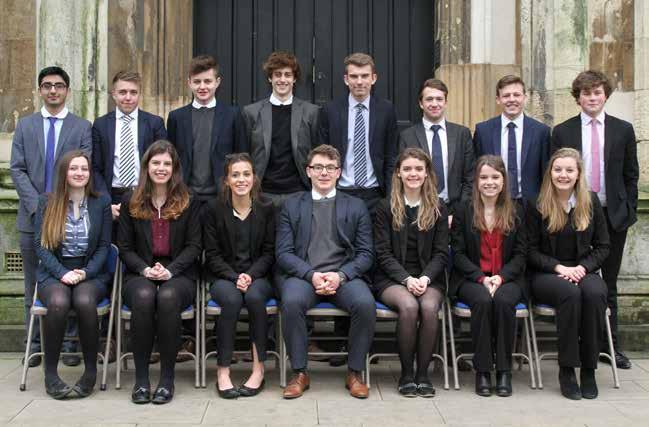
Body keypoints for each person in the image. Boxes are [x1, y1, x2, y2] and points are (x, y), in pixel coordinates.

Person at [551, 70, 638, 370]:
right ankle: (580, 343)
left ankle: (610, 347)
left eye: (597, 92)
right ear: (578, 98)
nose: (592, 98)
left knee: (608, 283)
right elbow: (554, 174)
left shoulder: (623, 130)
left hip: (612, 216)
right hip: (575, 214)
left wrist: (627, 210)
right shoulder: (562, 131)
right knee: (576, 278)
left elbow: (631, 174)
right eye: (586, 93)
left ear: (605, 96)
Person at [276, 144, 376, 399]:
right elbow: (284, 253)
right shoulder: (291, 205)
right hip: (304, 276)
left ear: (339, 172)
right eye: (318, 167)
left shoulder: (356, 206)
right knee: (291, 302)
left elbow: (366, 253)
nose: (324, 173)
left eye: (330, 168)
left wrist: (340, 276)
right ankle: (299, 373)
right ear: (308, 171)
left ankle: (354, 372)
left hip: (344, 276)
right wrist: (311, 275)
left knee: (365, 304)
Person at [10, 66, 92, 368]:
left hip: (70, 217)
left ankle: (70, 343)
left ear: (67, 90)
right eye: (47, 85)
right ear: (40, 90)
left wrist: (59, 209)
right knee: (33, 282)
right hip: (32, 217)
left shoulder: (81, 127)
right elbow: (17, 168)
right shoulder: (25, 126)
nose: (53, 90)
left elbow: (84, 168)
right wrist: (39, 208)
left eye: (58, 85)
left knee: (69, 279)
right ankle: (33, 344)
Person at [117, 141, 202, 404]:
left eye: (167, 163)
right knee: (144, 297)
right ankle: (142, 380)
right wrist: (144, 269)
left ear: (175, 168)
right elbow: (124, 247)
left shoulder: (189, 200)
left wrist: (170, 271)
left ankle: (167, 378)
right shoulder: (130, 200)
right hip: (139, 271)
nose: (161, 168)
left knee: (167, 297)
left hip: (179, 273)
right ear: (146, 166)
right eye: (156, 163)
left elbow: (194, 246)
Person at [527, 148, 610, 400]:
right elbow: (529, 250)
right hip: (546, 273)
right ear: (550, 172)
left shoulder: (590, 201)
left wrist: (583, 268)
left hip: (582, 269)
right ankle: (567, 369)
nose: (563, 175)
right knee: (570, 293)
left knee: (595, 293)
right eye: (558, 169)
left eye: (569, 170)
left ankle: (588, 369)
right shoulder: (536, 203)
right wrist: (559, 268)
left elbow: (603, 246)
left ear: (578, 174)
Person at [33, 151, 111, 399]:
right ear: (64, 172)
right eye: (74, 168)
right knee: (58, 302)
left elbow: (104, 247)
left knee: (85, 301)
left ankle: (90, 372)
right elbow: (40, 246)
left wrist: (85, 272)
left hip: (90, 271)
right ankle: (51, 375)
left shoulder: (101, 203)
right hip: (54, 271)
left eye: (84, 169)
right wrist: (62, 273)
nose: (80, 173)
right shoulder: (47, 202)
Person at [373, 148, 448, 397]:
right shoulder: (385, 207)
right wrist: (406, 279)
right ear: (398, 173)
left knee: (428, 307)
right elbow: (382, 253)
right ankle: (406, 374)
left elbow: (441, 253)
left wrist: (425, 278)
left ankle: (423, 375)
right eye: (407, 169)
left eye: (418, 169)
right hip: (392, 278)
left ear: (427, 173)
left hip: (429, 278)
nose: (412, 173)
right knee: (408, 306)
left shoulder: (438, 207)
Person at [450, 155, 527, 397]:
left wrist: (500, 278)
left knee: (503, 301)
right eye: (484, 177)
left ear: (503, 181)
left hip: (508, 279)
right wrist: (482, 279)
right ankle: (482, 371)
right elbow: (458, 254)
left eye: (495, 177)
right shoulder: (463, 210)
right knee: (483, 301)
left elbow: (521, 254)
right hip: (472, 279)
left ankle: (504, 371)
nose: (489, 182)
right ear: (476, 180)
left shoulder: (516, 211)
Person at [204, 153, 275, 399]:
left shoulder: (267, 208)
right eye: (235, 175)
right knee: (232, 300)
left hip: (259, 276)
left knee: (255, 298)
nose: (241, 179)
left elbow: (269, 253)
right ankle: (223, 371)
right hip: (224, 276)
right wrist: (235, 277)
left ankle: (258, 369)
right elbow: (212, 255)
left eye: (246, 174)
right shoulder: (213, 210)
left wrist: (250, 276)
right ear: (226, 180)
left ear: (254, 178)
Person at [318, 52, 398, 214]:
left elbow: (391, 156)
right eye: (354, 76)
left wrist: (390, 197)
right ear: (346, 79)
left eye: (365, 76)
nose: (359, 81)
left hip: (375, 194)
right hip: (341, 192)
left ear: (373, 78)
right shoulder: (330, 110)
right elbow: (321, 155)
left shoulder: (386, 110)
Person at [242, 51, 319, 208]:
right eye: (277, 74)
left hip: (299, 193)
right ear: (270, 78)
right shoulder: (251, 113)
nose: (282, 79)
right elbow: (244, 155)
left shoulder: (311, 112)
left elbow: (317, 153)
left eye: (287, 75)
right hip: (262, 194)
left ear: (294, 79)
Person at [167, 54, 244, 204]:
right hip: (185, 196)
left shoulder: (233, 115)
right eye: (197, 82)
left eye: (207, 81)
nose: (202, 87)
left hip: (222, 196)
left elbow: (240, 156)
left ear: (217, 82)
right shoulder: (176, 117)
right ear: (189, 83)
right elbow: (171, 158)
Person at [399, 78, 474, 226]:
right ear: (421, 103)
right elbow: (402, 176)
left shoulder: (462, 134)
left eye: (439, 99)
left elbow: (470, 177)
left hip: (455, 210)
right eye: (429, 99)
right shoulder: (407, 136)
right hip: (418, 210)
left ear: (445, 102)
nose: (434, 104)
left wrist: (459, 213)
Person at [92, 70, 167, 218]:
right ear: (113, 94)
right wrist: (105, 202)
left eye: (133, 92)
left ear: (140, 94)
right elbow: (95, 168)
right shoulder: (101, 125)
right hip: (112, 197)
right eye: (122, 92)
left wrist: (152, 196)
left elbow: (163, 162)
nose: (128, 97)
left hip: (145, 195)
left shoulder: (154, 123)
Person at [473, 75, 551, 203]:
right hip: (493, 202)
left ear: (525, 97)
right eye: (506, 96)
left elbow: (546, 173)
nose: (512, 99)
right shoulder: (483, 131)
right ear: (498, 100)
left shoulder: (541, 131)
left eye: (516, 95)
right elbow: (475, 170)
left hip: (531, 205)